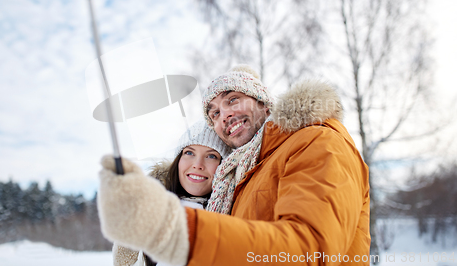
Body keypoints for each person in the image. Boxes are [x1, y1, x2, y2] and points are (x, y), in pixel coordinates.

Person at [98, 65, 371, 266]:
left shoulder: (317, 140)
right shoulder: (242, 174)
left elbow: (311, 251)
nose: (224, 115)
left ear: (264, 104)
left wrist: (177, 232)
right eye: (214, 112)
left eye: (233, 99)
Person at [109, 120, 230, 266]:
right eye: (189, 153)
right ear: (178, 160)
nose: (197, 165)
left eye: (211, 156)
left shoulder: (234, 211)